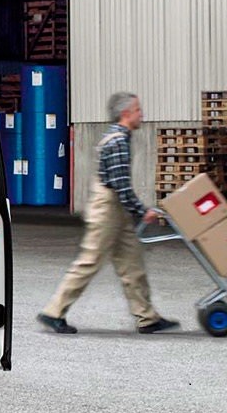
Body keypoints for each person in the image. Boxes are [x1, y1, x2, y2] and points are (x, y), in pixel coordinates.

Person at [37, 92, 178, 335]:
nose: (141, 114)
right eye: (138, 110)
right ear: (126, 114)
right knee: (89, 261)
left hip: (116, 210)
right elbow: (121, 185)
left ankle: (146, 317)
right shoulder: (117, 142)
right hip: (107, 211)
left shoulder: (120, 138)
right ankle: (54, 311)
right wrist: (142, 211)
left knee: (132, 263)